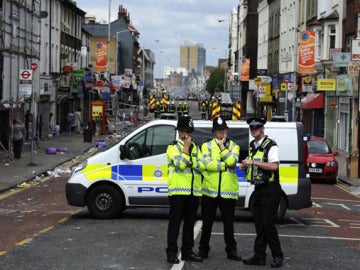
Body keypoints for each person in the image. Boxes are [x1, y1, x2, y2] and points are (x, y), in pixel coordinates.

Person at [239, 117, 284, 268]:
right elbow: (254, 164)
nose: (254, 130)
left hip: (270, 188)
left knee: (267, 223)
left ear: (262, 129)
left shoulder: (271, 145)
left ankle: (278, 255)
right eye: (252, 128)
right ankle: (259, 256)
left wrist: (253, 162)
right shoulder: (253, 145)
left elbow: (274, 166)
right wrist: (246, 166)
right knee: (259, 224)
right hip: (258, 188)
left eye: (257, 128)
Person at [198, 116, 242, 261]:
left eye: (223, 130)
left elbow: (232, 161)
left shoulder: (234, 146)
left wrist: (223, 148)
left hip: (227, 192)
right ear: (213, 132)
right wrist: (223, 165)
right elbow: (205, 164)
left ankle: (231, 251)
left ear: (227, 130)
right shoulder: (206, 146)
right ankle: (203, 250)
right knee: (207, 223)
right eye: (218, 131)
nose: (221, 133)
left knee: (229, 225)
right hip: (209, 191)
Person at [166, 115, 205, 264]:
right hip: (178, 191)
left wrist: (190, 161)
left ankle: (187, 252)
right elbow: (180, 164)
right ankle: (171, 253)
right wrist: (186, 149)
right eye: (183, 131)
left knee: (190, 224)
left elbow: (201, 165)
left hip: (193, 191)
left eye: (189, 131)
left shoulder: (196, 147)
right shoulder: (172, 147)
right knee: (174, 224)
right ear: (178, 132)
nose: (186, 134)